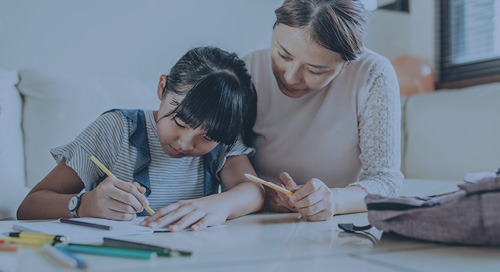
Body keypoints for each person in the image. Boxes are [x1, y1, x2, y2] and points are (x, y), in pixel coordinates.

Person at [17, 46, 265, 232]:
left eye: (207, 137)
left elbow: (254, 191)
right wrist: (83, 204)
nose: (184, 143)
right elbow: (28, 207)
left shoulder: (224, 137)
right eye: (179, 123)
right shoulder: (115, 129)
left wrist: (219, 206)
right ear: (162, 88)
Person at [245, 0, 404, 221]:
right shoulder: (249, 70)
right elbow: (227, 162)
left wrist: (333, 200)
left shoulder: (372, 73)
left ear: (347, 64)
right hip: (260, 216)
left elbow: (386, 182)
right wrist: (264, 196)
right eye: (283, 55)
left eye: (314, 70)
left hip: (337, 222)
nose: (290, 77)